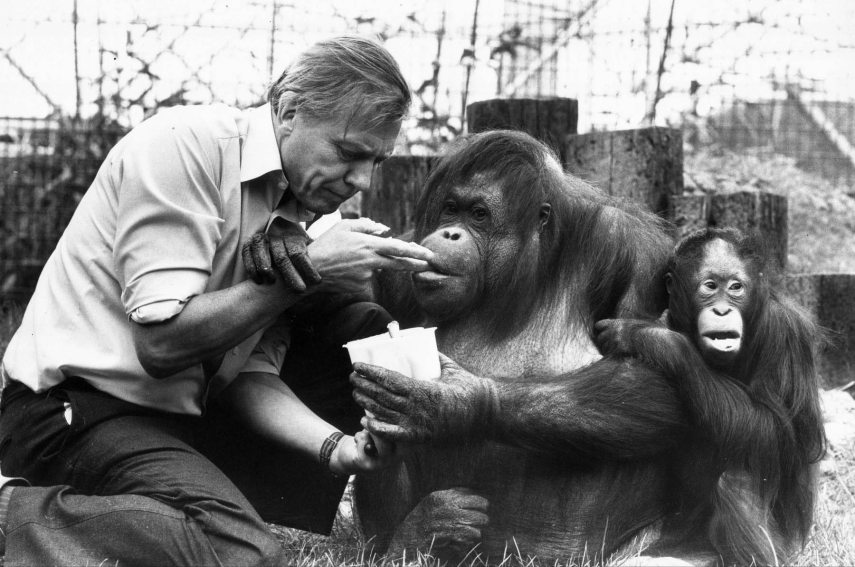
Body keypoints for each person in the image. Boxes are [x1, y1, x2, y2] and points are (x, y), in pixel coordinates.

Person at [0, 35, 432, 566]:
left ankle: (171, 506)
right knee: (242, 554)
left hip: (174, 419)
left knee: (355, 322)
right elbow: (160, 345)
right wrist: (311, 270)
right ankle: (11, 512)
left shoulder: (312, 209)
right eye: (348, 153)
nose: (361, 180)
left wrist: (337, 447)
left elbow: (248, 373)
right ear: (289, 109)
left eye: (377, 161)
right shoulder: (183, 145)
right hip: (74, 410)